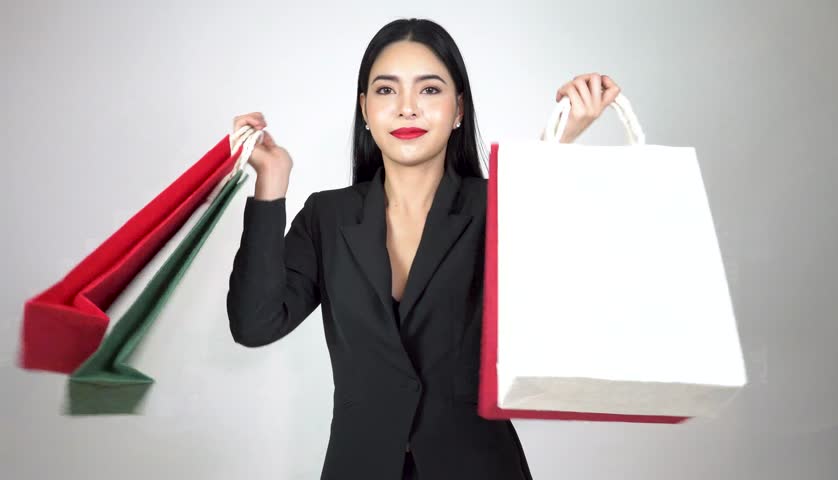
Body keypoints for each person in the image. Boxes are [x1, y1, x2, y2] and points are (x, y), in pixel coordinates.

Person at [226, 17, 620, 480]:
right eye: (386, 90)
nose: (407, 108)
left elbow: (549, 296)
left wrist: (558, 142)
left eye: (430, 90)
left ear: (458, 109)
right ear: (365, 109)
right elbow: (255, 324)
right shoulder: (327, 216)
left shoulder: (497, 205)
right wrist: (271, 182)